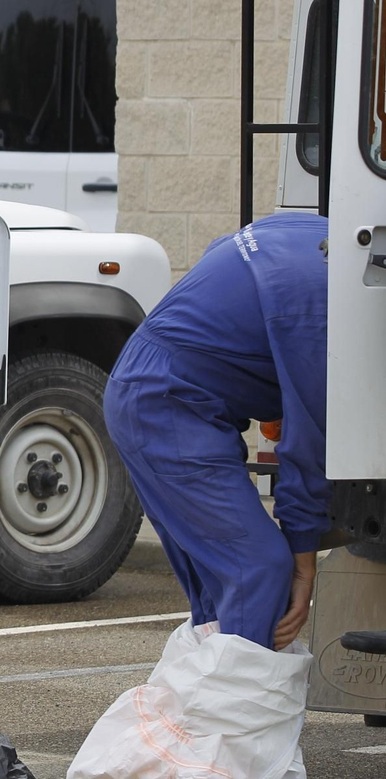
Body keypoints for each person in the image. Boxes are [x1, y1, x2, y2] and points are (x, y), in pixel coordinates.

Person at [105, 212, 330, 653]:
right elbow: (308, 442)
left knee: (219, 596)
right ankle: (233, 719)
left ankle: (204, 712)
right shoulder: (323, 307)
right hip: (165, 405)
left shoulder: (321, 236)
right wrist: (305, 559)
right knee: (259, 570)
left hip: (153, 388)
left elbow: (222, 251)